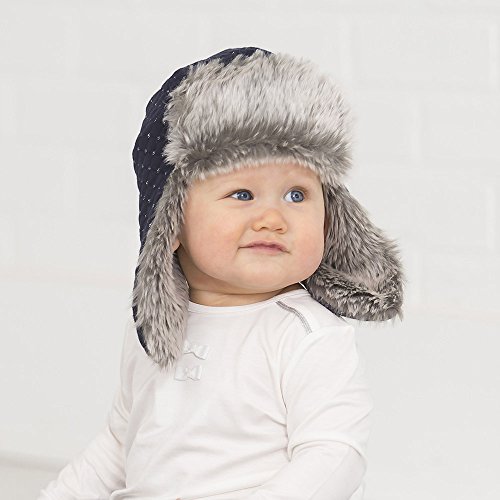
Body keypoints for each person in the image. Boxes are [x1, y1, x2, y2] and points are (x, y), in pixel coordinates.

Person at [38, 46, 406, 500]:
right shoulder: (155, 327)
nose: (272, 218)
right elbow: (118, 444)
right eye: (242, 194)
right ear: (171, 222)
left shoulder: (306, 336)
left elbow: (334, 457)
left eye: (296, 195)